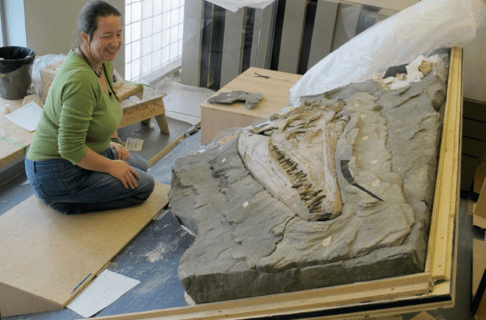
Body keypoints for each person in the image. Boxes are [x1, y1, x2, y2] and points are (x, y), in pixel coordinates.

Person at [25, 0, 155, 215]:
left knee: (142, 167)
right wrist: (111, 166)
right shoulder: (80, 80)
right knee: (144, 186)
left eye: (119, 34)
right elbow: (69, 148)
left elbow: (107, 108)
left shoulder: (102, 61)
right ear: (86, 37)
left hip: (87, 150)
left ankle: (88, 181)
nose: (115, 43)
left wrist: (112, 142)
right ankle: (61, 199)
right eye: (106, 36)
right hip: (55, 169)